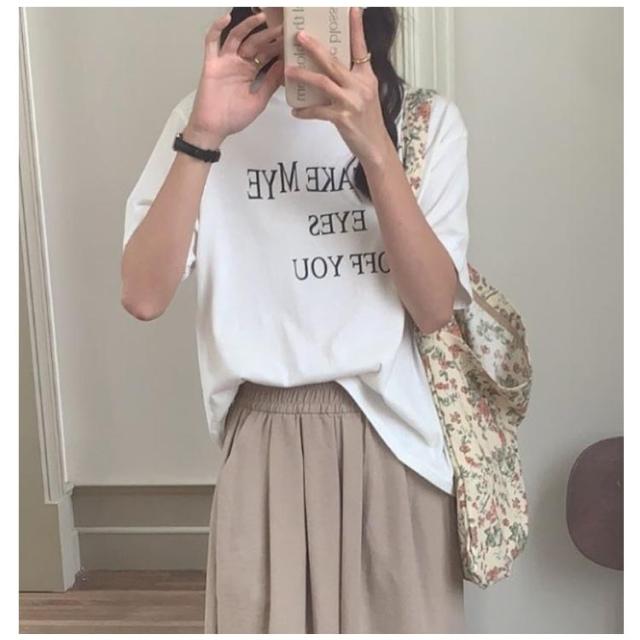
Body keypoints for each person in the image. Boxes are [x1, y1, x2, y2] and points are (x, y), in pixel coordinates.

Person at [121, 6, 473, 634]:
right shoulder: (204, 119)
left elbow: (434, 309)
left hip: (395, 443)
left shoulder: (425, 122)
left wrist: (374, 145)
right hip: (263, 444)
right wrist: (204, 132)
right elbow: (143, 295)